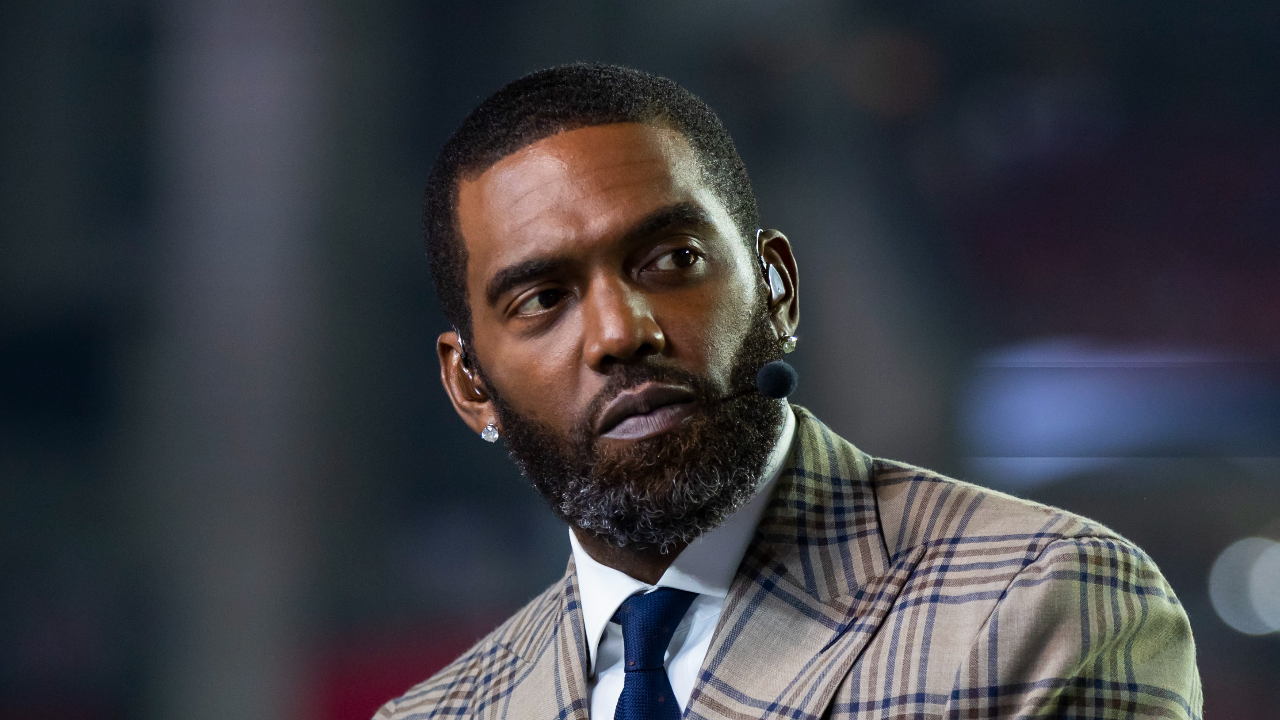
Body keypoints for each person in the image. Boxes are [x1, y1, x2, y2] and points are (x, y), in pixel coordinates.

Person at [374, 64, 1201, 720]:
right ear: (470, 385)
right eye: (543, 299)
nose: (620, 334)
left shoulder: (1043, 606)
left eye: (671, 261)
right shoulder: (438, 714)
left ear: (777, 289)